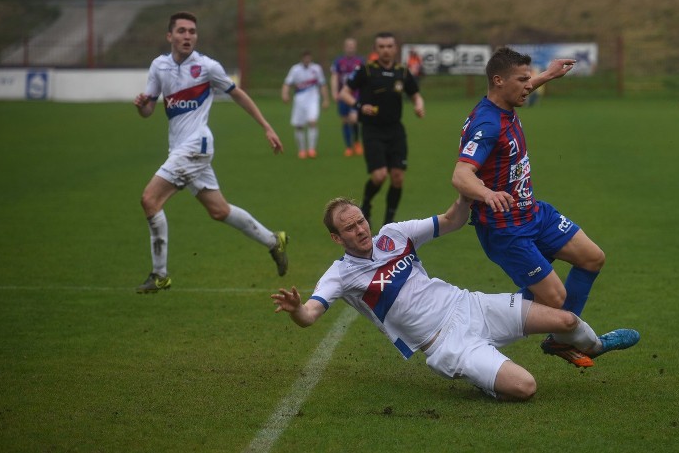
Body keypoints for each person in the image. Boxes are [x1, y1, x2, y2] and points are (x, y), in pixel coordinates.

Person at [271, 196, 639, 401]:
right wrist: (296, 310)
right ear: (337, 238)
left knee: (566, 320)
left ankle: (593, 346)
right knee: (525, 388)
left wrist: (468, 191)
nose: (360, 229)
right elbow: (310, 315)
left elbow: (451, 220)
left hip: (470, 305)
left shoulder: (394, 234)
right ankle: (485, 374)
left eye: (361, 221)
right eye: (349, 228)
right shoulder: (339, 275)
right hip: (446, 343)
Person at [451, 46, 606, 369]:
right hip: (505, 229)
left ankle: (561, 338)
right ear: (498, 81)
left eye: (529, 78)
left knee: (592, 258)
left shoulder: (505, 101)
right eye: (523, 79)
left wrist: (548, 74)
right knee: (555, 299)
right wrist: (487, 194)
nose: (529, 85)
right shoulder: (489, 124)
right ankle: (479, 325)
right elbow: (461, 175)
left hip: (534, 213)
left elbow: (521, 86)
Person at [133, 11, 289, 294]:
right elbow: (148, 110)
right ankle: (273, 241)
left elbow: (237, 93)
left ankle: (159, 275)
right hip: (180, 148)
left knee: (150, 199)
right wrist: (141, 104)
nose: (187, 36)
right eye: (181, 31)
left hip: (196, 146)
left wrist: (266, 126)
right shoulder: (159, 67)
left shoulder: (207, 67)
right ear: (170, 36)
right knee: (219, 211)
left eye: (192, 31)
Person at [338, 32, 425, 227]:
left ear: (395, 49)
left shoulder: (402, 72)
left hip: (395, 130)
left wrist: (419, 105)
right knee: (379, 176)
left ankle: (389, 222)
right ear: (376, 50)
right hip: (372, 130)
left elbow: (416, 94)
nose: (386, 50)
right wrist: (359, 106)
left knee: (397, 178)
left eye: (389, 46)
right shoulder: (366, 70)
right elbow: (344, 93)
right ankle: (366, 204)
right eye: (382, 47)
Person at [282, 50, 329, 159]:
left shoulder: (316, 69)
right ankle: (302, 150)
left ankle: (312, 149)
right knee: (299, 126)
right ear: (302, 58)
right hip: (299, 100)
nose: (307, 60)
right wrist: (285, 94)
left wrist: (326, 99)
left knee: (312, 121)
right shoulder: (295, 69)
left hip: (313, 100)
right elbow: (287, 83)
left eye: (309, 58)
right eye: (305, 58)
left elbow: (322, 84)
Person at [329, 38, 365, 157]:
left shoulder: (361, 61)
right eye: (348, 46)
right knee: (345, 121)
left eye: (352, 46)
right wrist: (334, 92)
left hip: (356, 95)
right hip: (343, 95)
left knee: (354, 119)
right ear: (345, 47)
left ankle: (356, 142)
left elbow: (366, 79)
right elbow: (334, 77)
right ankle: (348, 147)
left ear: (355, 47)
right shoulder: (339, 61)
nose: (350, 48)